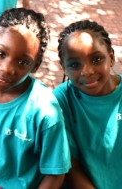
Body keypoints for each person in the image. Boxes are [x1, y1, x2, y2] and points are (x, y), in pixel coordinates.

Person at [0, 8, 71, 188]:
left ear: (35, 65)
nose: (7, 69)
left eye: (23, 62)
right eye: (1, 53)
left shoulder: (45, 110)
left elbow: (55, 174)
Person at [53, 20, 122, 189]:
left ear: (111, 57)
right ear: (64, 67)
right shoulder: (60, 100)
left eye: (97, 59)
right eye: (75, 65)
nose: (87, 72)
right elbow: (70, 167)